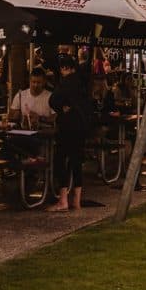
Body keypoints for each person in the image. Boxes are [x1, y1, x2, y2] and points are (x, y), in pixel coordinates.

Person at [48, 56, 94, 211]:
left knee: (61, 160)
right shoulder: (83, 83)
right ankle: (77, 200)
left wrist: (61, 109)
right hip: (82, 127)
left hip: (67, 126)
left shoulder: (66, 83)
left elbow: (53, 100)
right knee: (76, 162)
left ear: (64, 68)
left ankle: (63, 200)